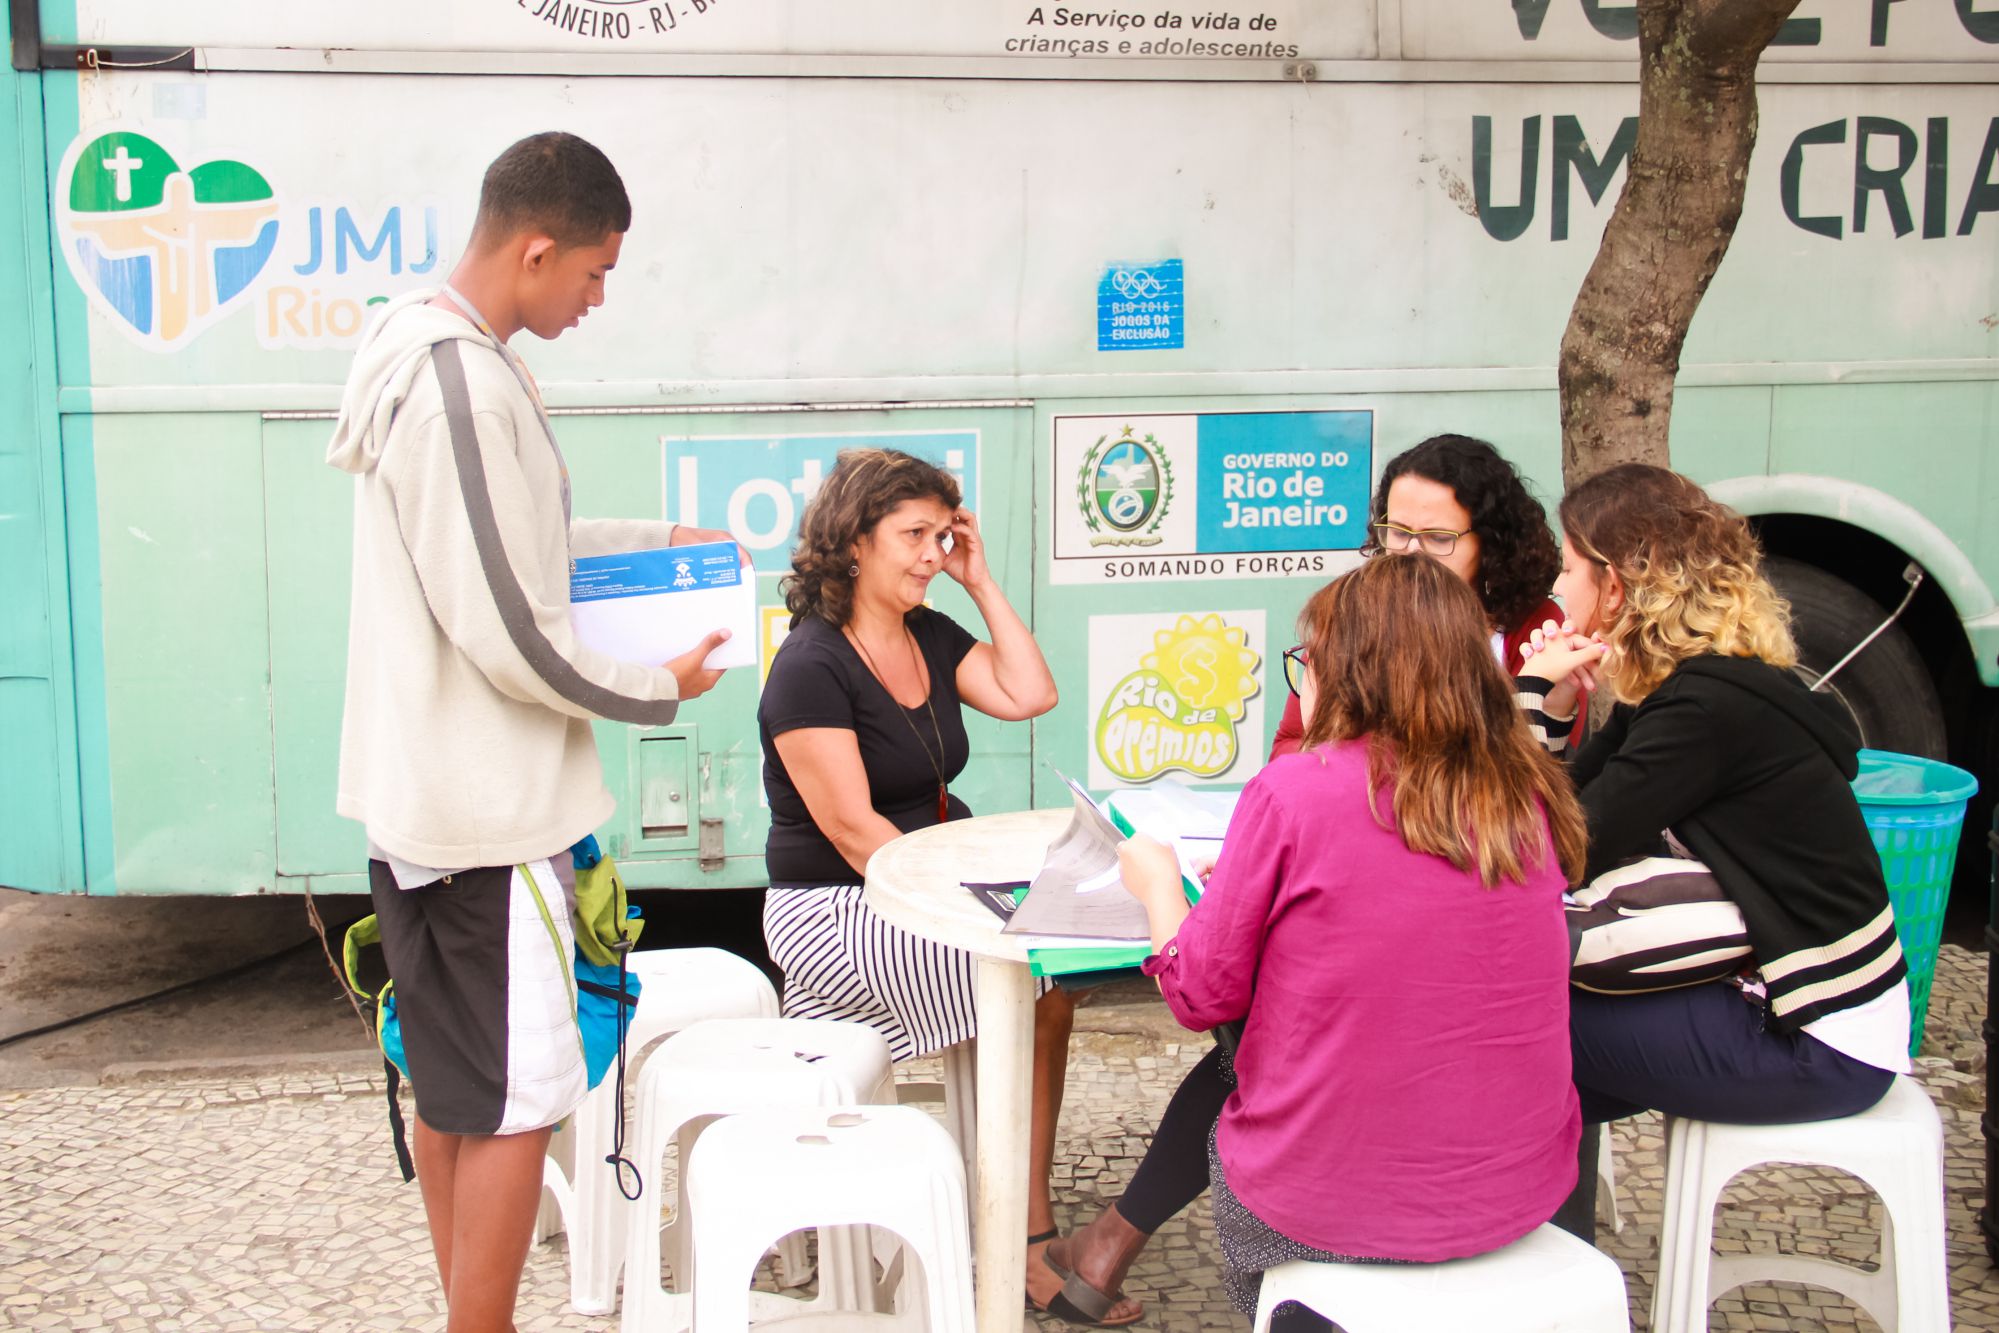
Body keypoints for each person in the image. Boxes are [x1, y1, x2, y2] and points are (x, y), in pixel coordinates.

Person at [328, 132, 740, 1332]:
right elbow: (510, 623)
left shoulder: (420, 352)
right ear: (538, 249)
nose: (597, 298)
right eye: (597, 272)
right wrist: (656, 686)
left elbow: (509, 552)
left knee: (458, 1090)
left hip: (430, 804)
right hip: (488, 816)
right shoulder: (459, 380)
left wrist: (650, 544)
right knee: (517, 1101)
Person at [1044, 432, 1572, 1323]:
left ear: (1355, 671)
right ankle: (1108, 1240)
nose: (1303, 684)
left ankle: (1111, 1242)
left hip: (1319, 1214)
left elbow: (1200, 993)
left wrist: (1158, 884)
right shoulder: (1528, 787)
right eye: (1394, 532)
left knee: (1246, 1049)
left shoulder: (1298, 791)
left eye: (1308, 665)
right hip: (1522, 1197)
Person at [1517, 464, 1908, 1238]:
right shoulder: (1689, 688)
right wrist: (1556, 712)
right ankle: (1534, 1246)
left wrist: (1527, 694)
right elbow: (1563, 818)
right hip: (1790, 1007)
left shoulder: (1703, 709)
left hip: (1816, 1039)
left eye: (1568, 568)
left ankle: (1515, 1254)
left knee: (1512, 1029)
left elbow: (1545, 853)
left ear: (1615, 587)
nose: (1558, 589)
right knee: (1526, 1041)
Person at [755, 447, 1076, 1305]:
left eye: (943, 534)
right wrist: (966, 913)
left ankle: (1009, 1207)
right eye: (914, 535)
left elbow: (1029, 693)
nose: (933, 552)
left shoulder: (928, 632)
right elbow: (853, 831)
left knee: (1047, 983)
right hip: (838, 906)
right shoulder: (810, 664)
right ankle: (1025, 1239)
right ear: (854, 541)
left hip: (923, 887)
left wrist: (980, 582)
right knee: (1033, 992)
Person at [1268, 434, 1569, 758]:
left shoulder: (1533, 625)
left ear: (1490, 544)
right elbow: (1288, 750)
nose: (1412, 551)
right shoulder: (1353, 616)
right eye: (1399, 532)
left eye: (1438, 537)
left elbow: (1541, 768)